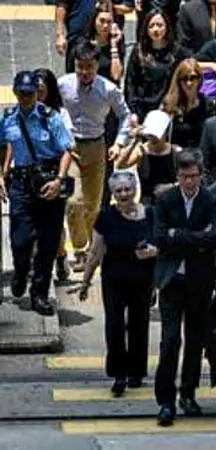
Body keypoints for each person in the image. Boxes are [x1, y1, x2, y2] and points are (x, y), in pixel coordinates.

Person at [153, 150, 216, 426]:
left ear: (201, 176)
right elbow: (159, 237)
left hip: (200, 281)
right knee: (169, 342)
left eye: (194, 177)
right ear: (177, 177)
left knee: (195, 341)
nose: (190, 182)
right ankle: (165, 400)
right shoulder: (166, 200)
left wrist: (177, 235)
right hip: (172, 281)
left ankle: (188, 394)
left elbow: (214, 236)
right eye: (184, 177)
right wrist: (196, 238)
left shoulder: (211, 200)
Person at [0, 71, 74, 315]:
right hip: (21, 183)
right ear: (16, 93)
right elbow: (3, 146)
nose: (26, 98)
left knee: (48, 243)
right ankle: (21, 271)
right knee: (20, 239)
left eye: (30, 93)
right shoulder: (9, 118)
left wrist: (59, 180)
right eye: (21, 93)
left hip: (47, 181)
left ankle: (39, 294)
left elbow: (66, 150)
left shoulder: (49, 117)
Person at [78, 171, 157, 396]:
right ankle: (118, 374)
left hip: (143, 279)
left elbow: (163, 244)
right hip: (114, 279)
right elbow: (95, 251)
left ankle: (136, 372)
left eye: (127, 190)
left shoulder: (151, 214)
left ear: (135, 191)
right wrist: (85, 282)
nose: (124, 194)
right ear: (113, 194)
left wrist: (154, 256)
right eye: (119, 191)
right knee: (114, 324)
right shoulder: (106, 216)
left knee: (138, 324)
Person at [59, 40, 132, 272]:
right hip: (71, 147)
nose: (84, 72)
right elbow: (52, 107)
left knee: (92, 204)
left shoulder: (108, 89)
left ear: (96, 66)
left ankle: (94, 245)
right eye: (80, 66)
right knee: (73, 201)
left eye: (89, 67)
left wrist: (119, 143)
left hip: (97, 146)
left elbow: (125, 116)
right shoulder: (63, 85)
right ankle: (79, 248)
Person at [33, 68, 75, 284]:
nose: (38, 95)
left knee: (54, 225)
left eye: (42, 90)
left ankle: (60, 256)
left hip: (54, 172)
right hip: (31, 174)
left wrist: (60, 176)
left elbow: (67, 146)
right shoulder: (24, 111)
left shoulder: (59, 114)